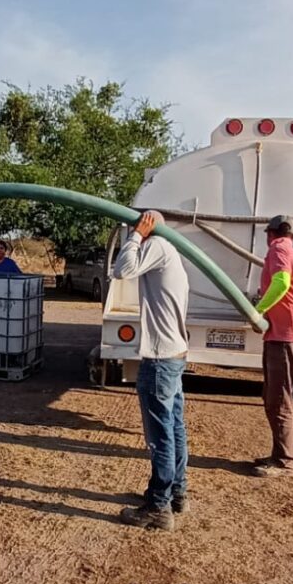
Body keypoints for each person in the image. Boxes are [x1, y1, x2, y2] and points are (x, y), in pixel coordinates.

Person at [111, 211, 190, 531]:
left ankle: (159, 506)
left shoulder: (157, 246)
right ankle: (176, 494)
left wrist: (136, 236)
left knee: (161, 436)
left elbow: (122, 270)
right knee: (173, 428)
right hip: (172, 355)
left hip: (160, 360)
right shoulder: (170, 252)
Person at [253, 215, 293, 478]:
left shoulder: (278, 249)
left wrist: (259, 310)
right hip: (288, 335)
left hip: (286, 337)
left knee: (279, 400)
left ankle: (285, 461)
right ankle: (279, 455)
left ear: (271, 234)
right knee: (274, 398)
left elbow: (281, 283)